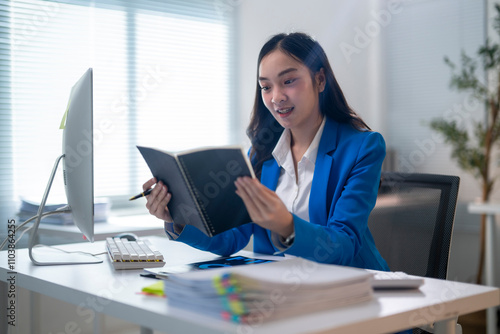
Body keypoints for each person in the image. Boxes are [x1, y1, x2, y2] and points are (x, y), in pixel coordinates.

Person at [143, 32, 389, 271]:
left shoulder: (362, 148)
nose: (276, 97)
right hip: (280, 291)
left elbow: (344, 244)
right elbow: (232, 238)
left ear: (320, 80)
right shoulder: (259, 154)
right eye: (266, 87)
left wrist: (286, 225)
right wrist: (176, 219)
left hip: (352, 288)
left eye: (288, 81)